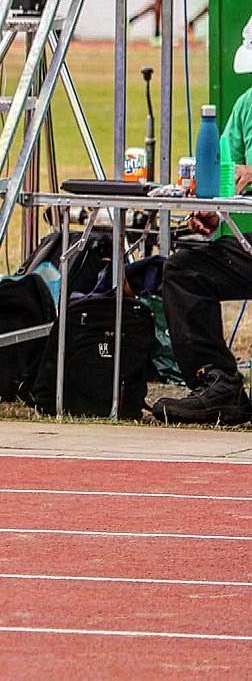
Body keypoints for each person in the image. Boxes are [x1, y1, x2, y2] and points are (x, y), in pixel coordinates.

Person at [151, 23, 252, 426]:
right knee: (184, 270)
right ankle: (218, 384)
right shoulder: (246, 106)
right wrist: (212, 209)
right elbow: (225, 175)